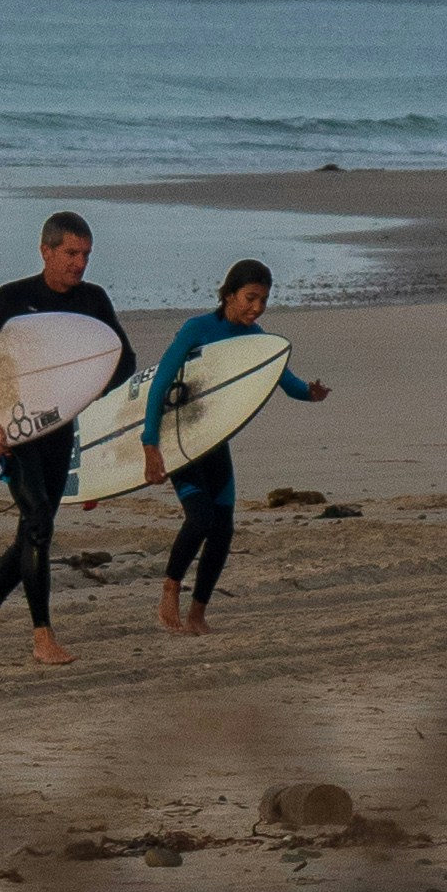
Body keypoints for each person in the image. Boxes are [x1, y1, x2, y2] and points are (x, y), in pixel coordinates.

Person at [0, 210, 134, 669]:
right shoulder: (14, 299)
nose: (80, 264)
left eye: (86, 255)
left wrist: (83, 394)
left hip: (58, 428)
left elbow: (125, 361)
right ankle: (42, 638)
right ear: (46, 251)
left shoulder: (93, 301)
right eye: (71, 253)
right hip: (14, 430)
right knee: (37, 521)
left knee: (36, 529)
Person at [141, 258, 331, 635]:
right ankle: (169, 593)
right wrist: (150, 443)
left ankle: (197, 614)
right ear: (228, 294)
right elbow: (160, 383)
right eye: (250, 298)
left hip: (214, 442)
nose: (256, 308)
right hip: (181, 440)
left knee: (223, 529)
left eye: (263, 300)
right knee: (200, 518)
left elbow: (286, 381)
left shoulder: (256, 339)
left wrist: (310, 393)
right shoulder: (196, 329)